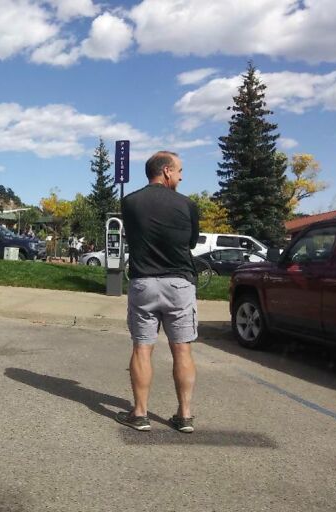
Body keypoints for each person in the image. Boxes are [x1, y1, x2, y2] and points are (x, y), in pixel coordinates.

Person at [115, 151, 199, 433]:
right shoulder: (187, 204)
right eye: (179, 171)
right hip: (179, 284)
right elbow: (191, 242)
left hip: (144, 283)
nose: (181, 176)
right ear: (165, 171)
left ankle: (140, 413)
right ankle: (184, 415)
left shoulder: (129, 202)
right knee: (182, 348)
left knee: (142, 347)